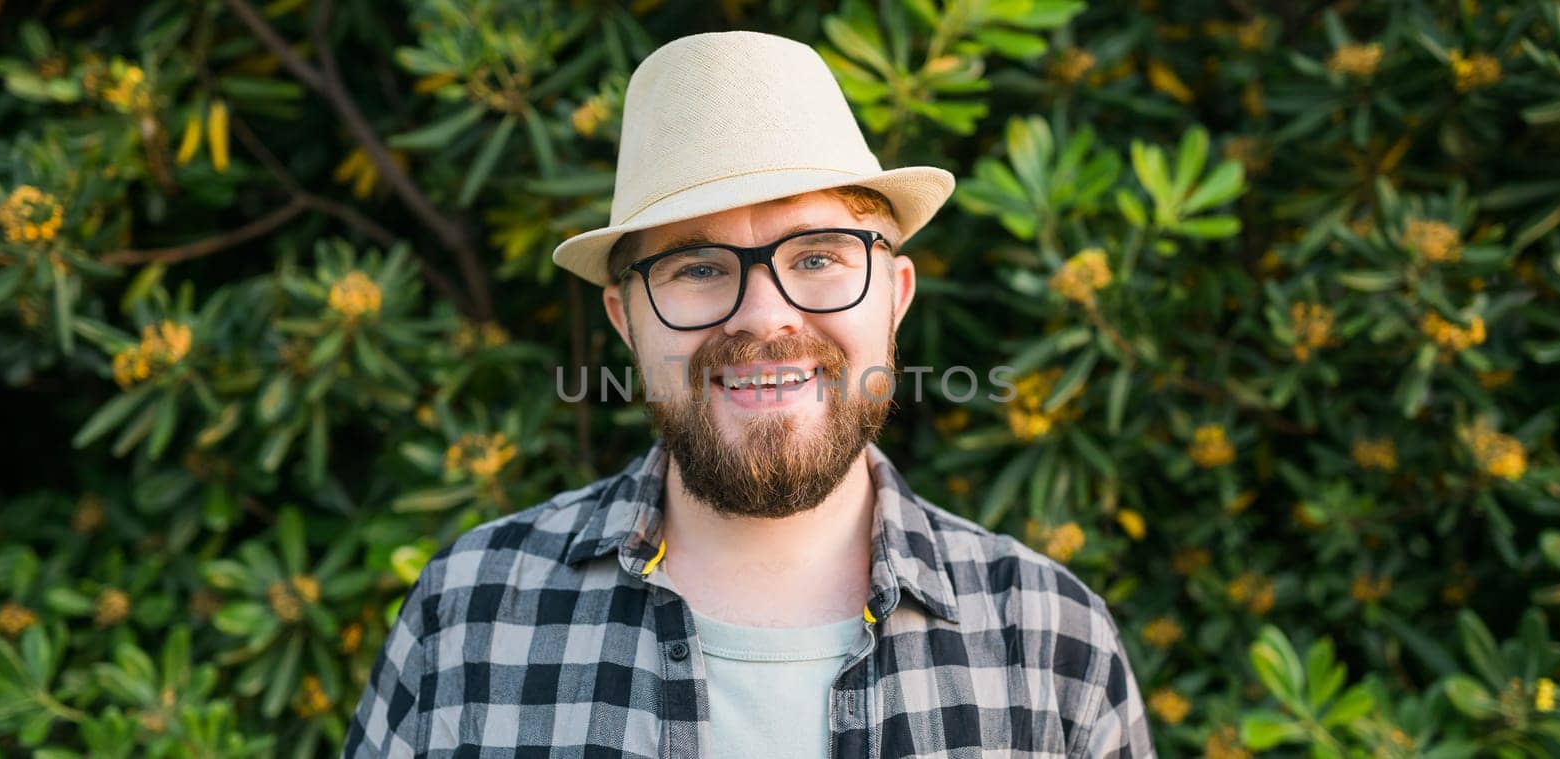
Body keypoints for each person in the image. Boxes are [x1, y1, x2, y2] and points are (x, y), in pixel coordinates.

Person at [343, 30, 1154, 758]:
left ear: (895, 295)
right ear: (625, 319)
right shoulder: (470, 615)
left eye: (818, 257)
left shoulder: (1052, 640)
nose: (766, 317)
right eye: (697, 268)